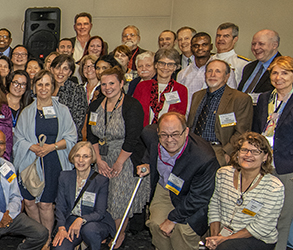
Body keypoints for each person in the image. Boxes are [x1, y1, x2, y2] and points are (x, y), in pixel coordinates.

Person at [250, 56, 293, 250]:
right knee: (261, 214)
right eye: (275, 72)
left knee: (283, 218)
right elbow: (256, 132)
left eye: (285, 73)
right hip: (265, 167)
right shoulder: (264, 98)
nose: (279, 77)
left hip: (291, 169)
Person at [14, 69, 78, 246]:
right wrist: (31, 146)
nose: (43, 88)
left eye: (47, 84)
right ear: (34, 87)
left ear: (53, 87)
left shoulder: (63, 111)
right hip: (30, 161)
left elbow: (72, 138)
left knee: (45, 204)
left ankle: (47, 239)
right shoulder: (26, 112)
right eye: (40, 84)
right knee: (29, 201)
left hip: (53, 161)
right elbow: (18, 138)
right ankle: (38, 234)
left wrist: (52, 146)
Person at [136, 112, 217, 250]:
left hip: (192, 196)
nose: (169, 139)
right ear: (158, 132)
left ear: (186, 132)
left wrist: (172, 219)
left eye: (175, 134)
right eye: (164, 134)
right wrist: (147, 163)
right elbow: (152, 149)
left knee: (183, 232)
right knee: (156, 224)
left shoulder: (203, 158)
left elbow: (199, 197)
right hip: (166, 188)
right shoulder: (151, 135)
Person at [86, 67, 146, 248]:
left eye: (112, 83)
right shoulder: (96, 105)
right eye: (103, 84)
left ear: (121, 83)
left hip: (125, 157)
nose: (107, 87)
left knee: (118, 200)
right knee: (101, 199)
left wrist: (119, 162)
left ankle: (119, 236)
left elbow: (133, 138)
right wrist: (98, 160)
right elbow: (91, 135)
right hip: (101, 157)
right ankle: (107, 230)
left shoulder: (132, 105)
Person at [205, 133, 283, 250]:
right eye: (244, 150)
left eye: (255, 152)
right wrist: (215, 237)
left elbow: (261, 227)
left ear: (265, 157)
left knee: (225, 248)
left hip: (257, 238)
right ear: (237, 154)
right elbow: (215, 206)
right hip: (224, 234)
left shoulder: (274, 187)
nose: (248, 155)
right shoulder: (223, 174)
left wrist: (224, 240)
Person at [51, 141, 115, 250]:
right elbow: (60, 206)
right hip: (71, 219)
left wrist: (81, 219)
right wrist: (61, 228)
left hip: (95, 222)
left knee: (89, 230)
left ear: (92, 159)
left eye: (85, 156)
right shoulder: (64, 177)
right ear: (72, 157)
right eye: (77, 156)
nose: (81, 160)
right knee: (59, 246)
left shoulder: (101, 181)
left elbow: (100, 212)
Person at [187, 60, 253, 165]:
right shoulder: (197, 96)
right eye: (209, 71)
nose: (212, 75)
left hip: (219, 151)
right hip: (193, 149)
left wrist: (227, 152)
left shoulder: (240, 99)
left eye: (218, 71)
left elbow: (242, 132)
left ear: (226, 76)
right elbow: (191, 125)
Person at [238, 29, 293, 95]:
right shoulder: (248, 68)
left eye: (261, 44)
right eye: (253, 44)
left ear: (275, 45)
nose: (256, 48)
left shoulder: (291, 67)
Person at [133, 49, 189, 126]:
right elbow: (134, 113)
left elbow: (180, 117)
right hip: (143, 133)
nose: (165, 67)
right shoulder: (142, 86)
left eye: (170, 64)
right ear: (156, 65)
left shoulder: (181, 90)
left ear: (175, 67)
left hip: (168, 134)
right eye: (162, 63)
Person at [177, 32, 220, 101]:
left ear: (211, 46)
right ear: (191, 48)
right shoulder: (182, 74)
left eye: (204, 45)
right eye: (196, 46)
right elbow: (178, 100)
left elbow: (230, 97)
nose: (200, 48)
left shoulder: (222, 70)